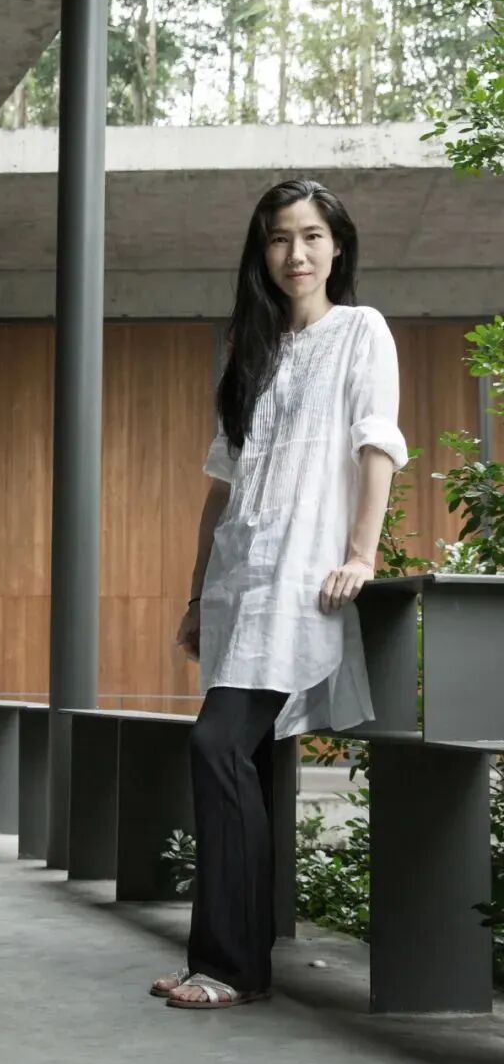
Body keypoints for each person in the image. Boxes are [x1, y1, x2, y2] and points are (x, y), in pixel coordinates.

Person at [152, 177, 407, 1010]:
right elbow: (221, 488)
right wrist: (198, 595)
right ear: (260, 253)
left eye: (311, 235)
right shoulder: (251, 352)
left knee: (216, 746)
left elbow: (376, 444)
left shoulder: (361, 331)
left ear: (337, 246)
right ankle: (228, 962)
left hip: (302, 581)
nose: (295, 253)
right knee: (247, 763)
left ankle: (227, 964)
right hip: (238, 582)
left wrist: (361, 553)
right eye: (277, 238)